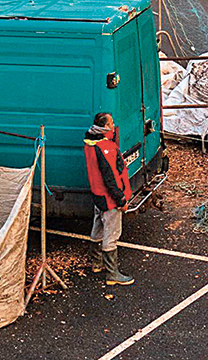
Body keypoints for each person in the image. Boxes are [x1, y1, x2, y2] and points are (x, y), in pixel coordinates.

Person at [83, 112, 134, 286]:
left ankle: (96, 263)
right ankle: (112, 274)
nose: (114, 125)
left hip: (98, 195)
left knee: (97, 228)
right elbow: (111, 177)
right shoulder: (107, 148)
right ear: (104, 127)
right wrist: (121, 199)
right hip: (110, 199)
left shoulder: (90, 144)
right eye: (111, 122)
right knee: (112, 233)